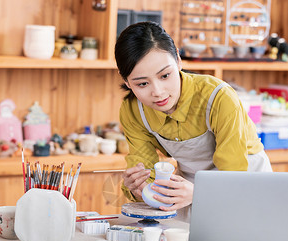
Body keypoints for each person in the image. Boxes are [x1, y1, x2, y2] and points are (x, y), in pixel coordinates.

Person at [115, 21, 272, 221]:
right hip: (187, 187)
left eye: (165, 75)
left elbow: (234, 175)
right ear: (126, 81)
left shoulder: (218, 97)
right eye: (143, 83)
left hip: (244, 183)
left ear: (178, 59)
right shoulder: (133, 110)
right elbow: (147, 174)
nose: (158, 92)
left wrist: (199, 192)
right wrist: (141, 188)